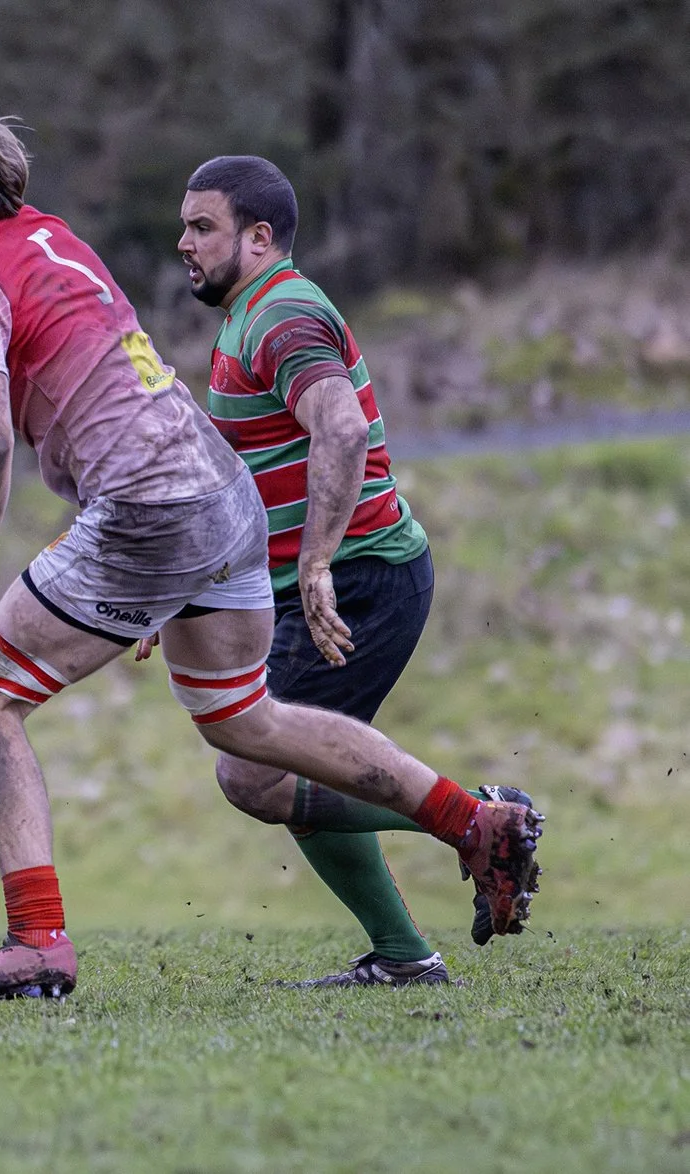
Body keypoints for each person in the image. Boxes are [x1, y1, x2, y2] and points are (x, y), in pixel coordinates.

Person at [0, 103, 543, 999]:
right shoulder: (56, 244)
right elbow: (20, 376)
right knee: (246, 727)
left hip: (153, 512)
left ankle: (36, 942)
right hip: (224, 499)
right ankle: (472, 822)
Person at [175, 156, 533, 986]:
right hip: (344, 577)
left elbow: (340, 430)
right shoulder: (247, 317)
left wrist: (319, 563)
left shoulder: (283, 315)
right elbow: (245, 480)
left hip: (363, 577)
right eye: (185, 225)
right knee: (295, 766)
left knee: (255, 771)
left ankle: (482, 825)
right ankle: (412, 944)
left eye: (203, 227)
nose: (183, 243)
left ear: (258, 238)